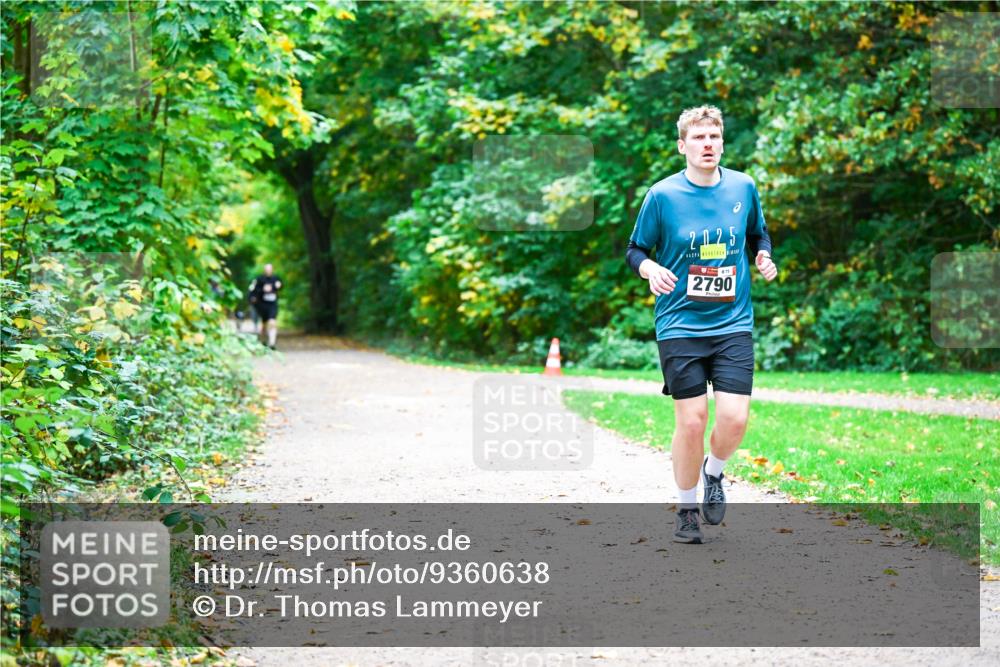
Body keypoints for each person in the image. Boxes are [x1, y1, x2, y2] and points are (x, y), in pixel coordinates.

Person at [625, 105, 778, 544]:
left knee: (734, 418)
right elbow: (635, 249)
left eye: (714, 137)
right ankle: (686, 508)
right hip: (680, 324)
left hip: (732, 322)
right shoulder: (662, 195)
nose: (707, 144)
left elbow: (758, 233)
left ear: (722, 143)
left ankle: (714, 473)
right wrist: (649, 268)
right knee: (691, 422)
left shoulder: (743, 187)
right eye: (698, 138)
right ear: (683, 145)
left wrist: (763, 255)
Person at [248, 264, 283, 349]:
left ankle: (272, 343)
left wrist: (277, 286)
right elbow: (253, 290)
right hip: (262, 305)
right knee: (264, 324)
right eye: (266, 269)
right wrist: (262, 290)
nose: (268, 271)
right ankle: (263, 341)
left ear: (272, 270)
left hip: (273, 304)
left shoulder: (276, 278)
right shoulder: (259, 279)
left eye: (269, 269)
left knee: (272, 321)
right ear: (264, 270)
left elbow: (280, 286)